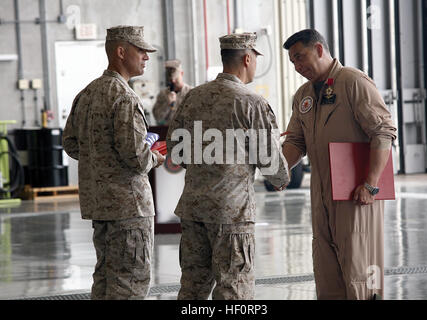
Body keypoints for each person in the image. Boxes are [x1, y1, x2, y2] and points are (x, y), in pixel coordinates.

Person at [166, 32, 290, 300]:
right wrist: (281, 177)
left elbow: (175, 150)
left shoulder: (192, 97)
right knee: (233, 288)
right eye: (255, 58)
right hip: (231, 214)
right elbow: (271, 163)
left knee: (192, 288)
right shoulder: (252, 103)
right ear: (247, 58)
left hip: (194, 209)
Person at [281, 29, 397, 300]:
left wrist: (371, 185)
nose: (298, 67)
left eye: (301, 58)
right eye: (293, 62)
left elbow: (383, 132)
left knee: (361, 271)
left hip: (357, 197)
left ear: (320, 49)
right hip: (321, 197)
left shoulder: (353, 82)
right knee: (327, 273)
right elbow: (296, 141)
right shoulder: (303, 96)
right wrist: (281, 170)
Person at [62, 25, 165, 300]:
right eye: (141, 51)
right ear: (121, 52)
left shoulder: (86, 93)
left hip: (100, 205)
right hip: (129, 209)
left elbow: (70, 144)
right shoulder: (125, 97)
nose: (146, 57)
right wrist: (156, 156)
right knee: (130, 282)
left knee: (105, 280)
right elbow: (137, 158)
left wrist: (100, 159)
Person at [152, 59, 192, 125]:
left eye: (176, 79)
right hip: (168, 132)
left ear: (182, 73)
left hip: (187, 131)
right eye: (171, 79)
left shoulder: (191, 93)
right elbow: (158, 118)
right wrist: (168, 104)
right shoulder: (163, 94)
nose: (173, 82)